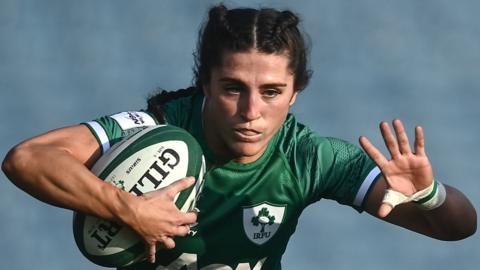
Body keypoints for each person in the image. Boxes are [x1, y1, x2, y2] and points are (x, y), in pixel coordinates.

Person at [2, 4, 476, 270]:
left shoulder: (310, 158)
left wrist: (430, 196)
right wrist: (130, 209)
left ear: (295, 94)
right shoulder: (157, 130)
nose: (251, 112)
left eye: (271, 92)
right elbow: (27, 159)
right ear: (205, 82)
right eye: (233, 89)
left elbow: (457, 228)